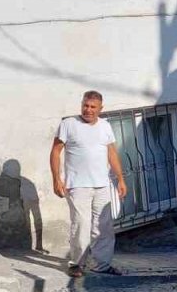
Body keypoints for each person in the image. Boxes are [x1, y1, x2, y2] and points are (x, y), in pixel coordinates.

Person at [50, 91, 127, 278]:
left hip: (102, 184)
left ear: (101, 108)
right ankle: (76, 263)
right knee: (81, 225)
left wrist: (120, 179)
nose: (88, 110)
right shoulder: (68, 124)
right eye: (86, 105)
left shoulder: (105, 126)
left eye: (93, 107)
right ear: (81, 105)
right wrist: (56, 179)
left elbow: (112, 154)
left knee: (104, 226)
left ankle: (103, 264)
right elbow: (55, 152)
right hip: (77, 185)